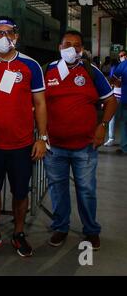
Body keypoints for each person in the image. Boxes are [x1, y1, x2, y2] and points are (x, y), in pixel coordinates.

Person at [0, 16, 48, 258]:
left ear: (17, 36)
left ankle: (18, 233)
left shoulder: (31, 66)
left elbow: (40, 103)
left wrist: (42, 138)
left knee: (21, 192)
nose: (4, 38)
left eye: (9, 33)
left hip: (22, 144)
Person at [44, 30, 117, 250]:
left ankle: (91, 231)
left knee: (86, 190)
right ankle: (61, 227)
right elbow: (37, 103)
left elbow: (111, 100)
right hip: (54, 146)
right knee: (58, 189)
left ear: (82, 49)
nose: (72, 49)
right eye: (68, 44)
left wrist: (102, 126)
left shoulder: (90, 71)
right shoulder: (47, 71)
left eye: (77, 45)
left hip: (84, 146)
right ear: (59, 47)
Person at [104, 55, 125, 146]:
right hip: (116, 96)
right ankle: (111, 138)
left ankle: (124, 143)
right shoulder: (120, 67)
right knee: (112, 117)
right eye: (120, 56)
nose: (122, 57)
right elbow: (112, 80)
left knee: (124, 120)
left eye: (124, 55)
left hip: (124, 97)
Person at [111, 50, 127, 155]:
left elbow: (114, 79)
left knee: (124, 122)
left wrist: (120, 84)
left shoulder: (123, 64)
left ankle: (125, 147)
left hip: (125, 98)